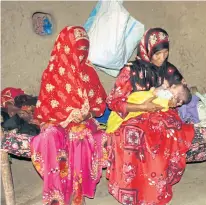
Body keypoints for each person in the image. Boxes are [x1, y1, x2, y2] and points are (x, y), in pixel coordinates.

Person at [106, 28, 194, 205]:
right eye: (157, 53)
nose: (162, 58)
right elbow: (114, 102)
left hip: (160, 113)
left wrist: (172, 102)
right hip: (133, 113)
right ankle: (131, 191)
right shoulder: (130, 71)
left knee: (168, 131)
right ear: (146, 50)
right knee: (133, 134)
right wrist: (142, 106)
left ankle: (156, 189)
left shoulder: (169, 70)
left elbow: (182, 94)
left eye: (165, 52)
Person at [30, 26, 108, 205]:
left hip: (82, 123)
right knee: (49, 137)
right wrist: (64, 116)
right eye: (77, 49)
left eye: (84, 50)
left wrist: (86, 113)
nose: (80, 54)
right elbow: (44, 110)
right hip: (56, 124)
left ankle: (76, 194)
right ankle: (56, 196)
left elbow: (99, 107)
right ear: (65, 48)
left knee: (78, 135)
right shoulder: (52, 74)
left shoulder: (88, 72)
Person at [105, 67, 192, 133]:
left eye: (174, 87)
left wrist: (159, 90)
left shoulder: (167, 99)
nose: (172, 86)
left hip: (134, 106)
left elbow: (157, 96)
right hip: (133, 103)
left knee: (117, 121)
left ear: (178, 101)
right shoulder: (167, 96)